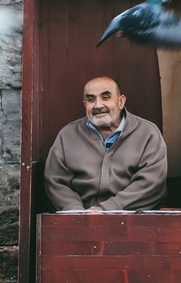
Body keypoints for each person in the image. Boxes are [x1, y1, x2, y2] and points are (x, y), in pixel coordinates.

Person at [44, 76, 168, 212]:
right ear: (85, 104)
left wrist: (107, 209)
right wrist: (77, 212)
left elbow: (152, 183)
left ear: (121, 101)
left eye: (106, 97)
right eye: (91, 100)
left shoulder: (148, 133)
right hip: (79, 217)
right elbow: (55, 181)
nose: (98, 105)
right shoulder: (67, 135)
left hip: (134, 217)